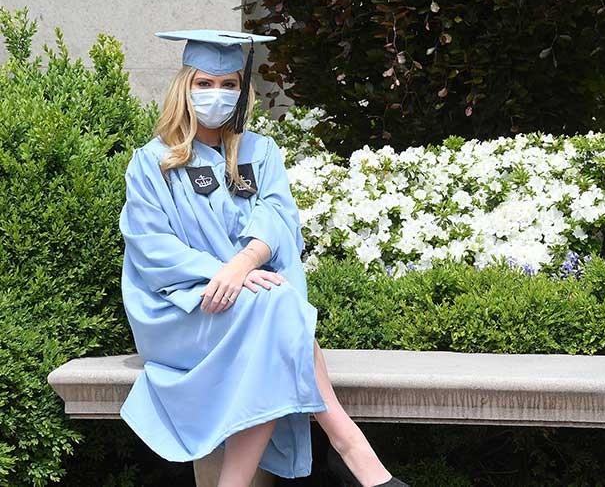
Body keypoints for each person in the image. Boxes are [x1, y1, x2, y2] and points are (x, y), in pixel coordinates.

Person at [119, 30, 408, 487]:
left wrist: (243, 265)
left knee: (273, 306)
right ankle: (350, 448)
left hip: (251, 300)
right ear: (184, 89)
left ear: (242, 90)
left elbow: (278, 217)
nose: (217, 95)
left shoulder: (261, 152)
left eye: (229, 84)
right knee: (278, 307)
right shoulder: (152, 162)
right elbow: (150, 244)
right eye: (204, 84)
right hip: (184, 311)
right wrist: (223, 274)